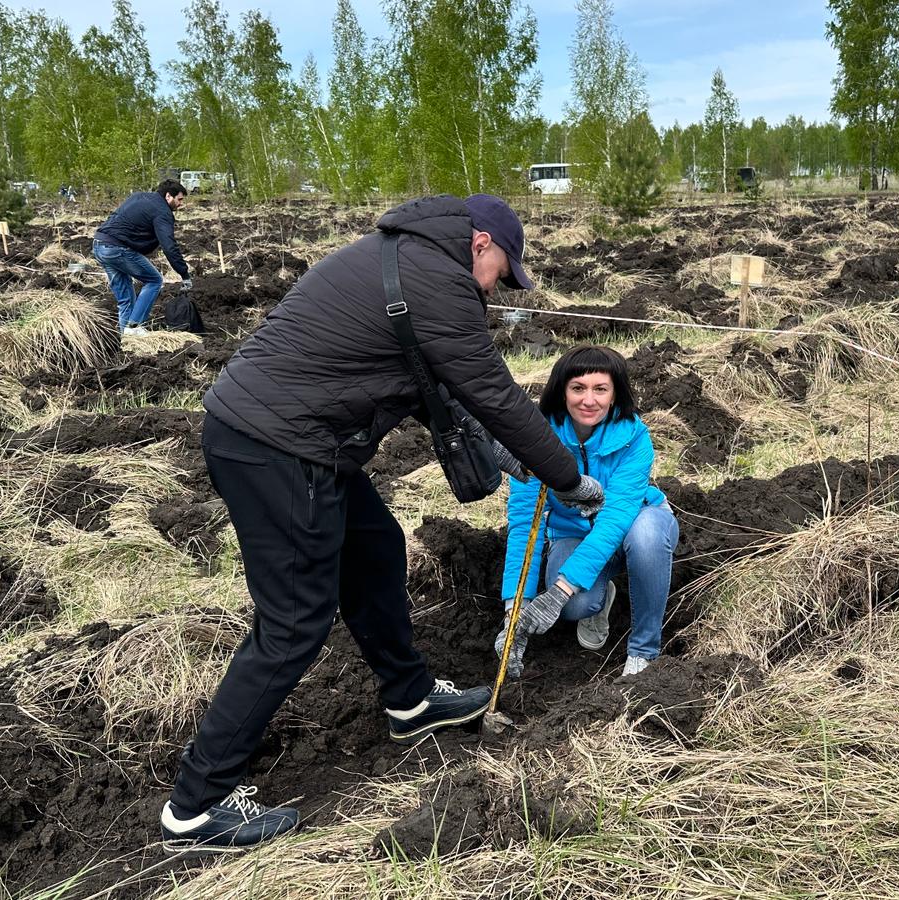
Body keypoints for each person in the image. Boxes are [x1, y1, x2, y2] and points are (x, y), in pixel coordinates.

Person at [160, 193, 605, 855]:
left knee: (375, 549)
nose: (500, 288)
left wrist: (514, 455)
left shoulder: (406, 257)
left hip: (295, 441)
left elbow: (438, 388)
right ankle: (197, 805)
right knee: (293, 624)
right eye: (503, 272)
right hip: (277, 448)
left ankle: (411, 699)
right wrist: (566, 477)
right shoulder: (440, 278)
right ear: (482, 243)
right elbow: (491, 389)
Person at [495, 345, 678, 680]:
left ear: (614, 394)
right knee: (575, 607)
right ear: (562, 391)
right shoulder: (534, 440)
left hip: (635, 524)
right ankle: (598, 596)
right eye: (578, 388)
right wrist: (513, 612)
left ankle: (643, 651)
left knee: (647, 537)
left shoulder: (634, 437)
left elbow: (616, 518)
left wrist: (560, 590)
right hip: (574, 533)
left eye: (600, 389)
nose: (588, 400)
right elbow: (525, 526)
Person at [92, 179, 192, 335]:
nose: (180, 204)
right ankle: (134, 327)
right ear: (168, 196)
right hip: (117, 249)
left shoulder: (139, 196)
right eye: (179, 199)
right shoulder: (162, 212)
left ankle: (126, 338)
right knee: (154, 280)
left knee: (126, 297)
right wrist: (184, 274)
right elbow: (169, 246)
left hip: (100, 244)